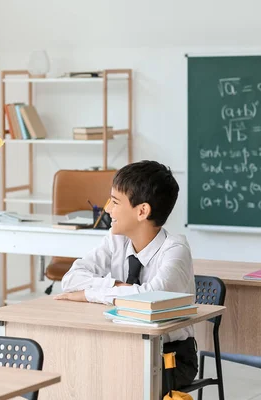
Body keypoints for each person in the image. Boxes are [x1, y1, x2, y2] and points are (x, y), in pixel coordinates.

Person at [54, 160, 197, 393]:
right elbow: (71, 280)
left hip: (171, 357)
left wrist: (91, 293)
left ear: (142, 211)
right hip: (122, 345)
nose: (108, 209)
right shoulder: (116, 239)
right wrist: (118, 286)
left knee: (113, 383)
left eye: (115, 202)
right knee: (75, 373)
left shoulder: (176, 249)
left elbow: (151, 299)